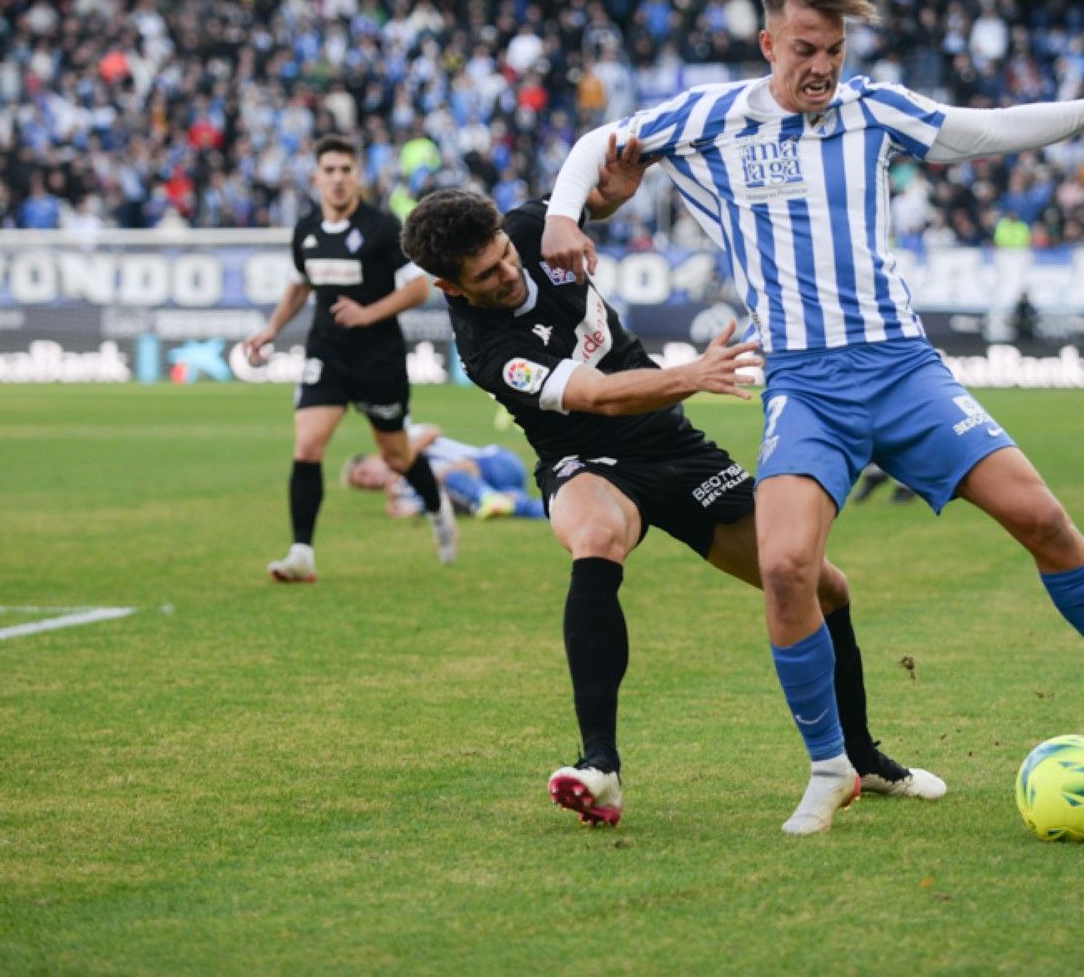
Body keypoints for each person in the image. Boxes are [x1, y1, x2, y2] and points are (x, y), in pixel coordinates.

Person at [542, 0, 1084, 836]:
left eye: (833, 49)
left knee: (1043, 517)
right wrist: (566, 213)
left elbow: (987, 130)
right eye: (804, 49)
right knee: (788, 566)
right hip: (804, 381)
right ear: (768, 44)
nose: (822, 66)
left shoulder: (876, 109)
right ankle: (831, 766)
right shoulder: (711, 117)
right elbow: (597, 144)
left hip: (903, 368)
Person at [402, 182, 945, 829]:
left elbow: (591, 192)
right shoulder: (488, 351)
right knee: (596, 535)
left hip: (670, 444)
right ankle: (599, 766)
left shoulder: (529, 227)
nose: (509, 271)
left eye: (504, 254)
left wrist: (606, 195)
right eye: (488, 274)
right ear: (451, 289)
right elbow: (597, 396)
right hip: (587, 458)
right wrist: (693, 373)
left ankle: (864, 758)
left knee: (821, 584)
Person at [240, 135, 458, 583]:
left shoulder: (382, 228)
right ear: (316, 177)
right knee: (307, 445)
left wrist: (367, 314)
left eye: (346, 170)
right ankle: (301, 553)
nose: (338, 179)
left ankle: (438, 510)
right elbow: (301, 284)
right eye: (330, 171)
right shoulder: (306, 231)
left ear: (357, 176)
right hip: (327, 351)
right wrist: (272, 329)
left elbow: (419, 288)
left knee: (397, 456)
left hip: (379, 357)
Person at [343, 422, 550, 521]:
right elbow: (440, 503)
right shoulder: (403, 490)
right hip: (494, 486)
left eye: (364, 474)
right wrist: (412, 509)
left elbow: (433, 432)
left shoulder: (402, 443)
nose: (369, 482)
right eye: (364, 486)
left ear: (372, 457)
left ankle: (488, 498)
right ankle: (553, 510)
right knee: (519, 508)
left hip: (496, 462)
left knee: (446, 475)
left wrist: (403, 464)